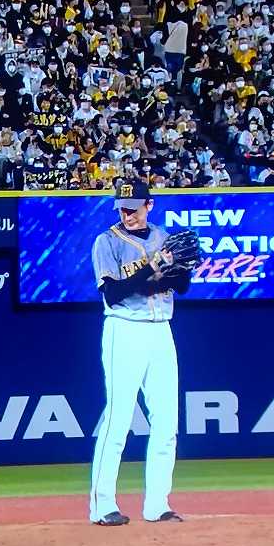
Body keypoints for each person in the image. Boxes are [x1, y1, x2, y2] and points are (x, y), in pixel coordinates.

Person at [88, 180, 190, 526]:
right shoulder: (107, 241)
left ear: (149, 205)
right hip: (124, 328)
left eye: (133, 208)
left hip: (161, 328)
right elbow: (114, 293)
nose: (126, 214)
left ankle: (158, 503)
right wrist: (153, 269)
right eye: (122, 208)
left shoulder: (163, 237)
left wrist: (179, 268)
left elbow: (182, 286)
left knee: (166, 421)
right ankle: (102, 505)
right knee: (118, 419)